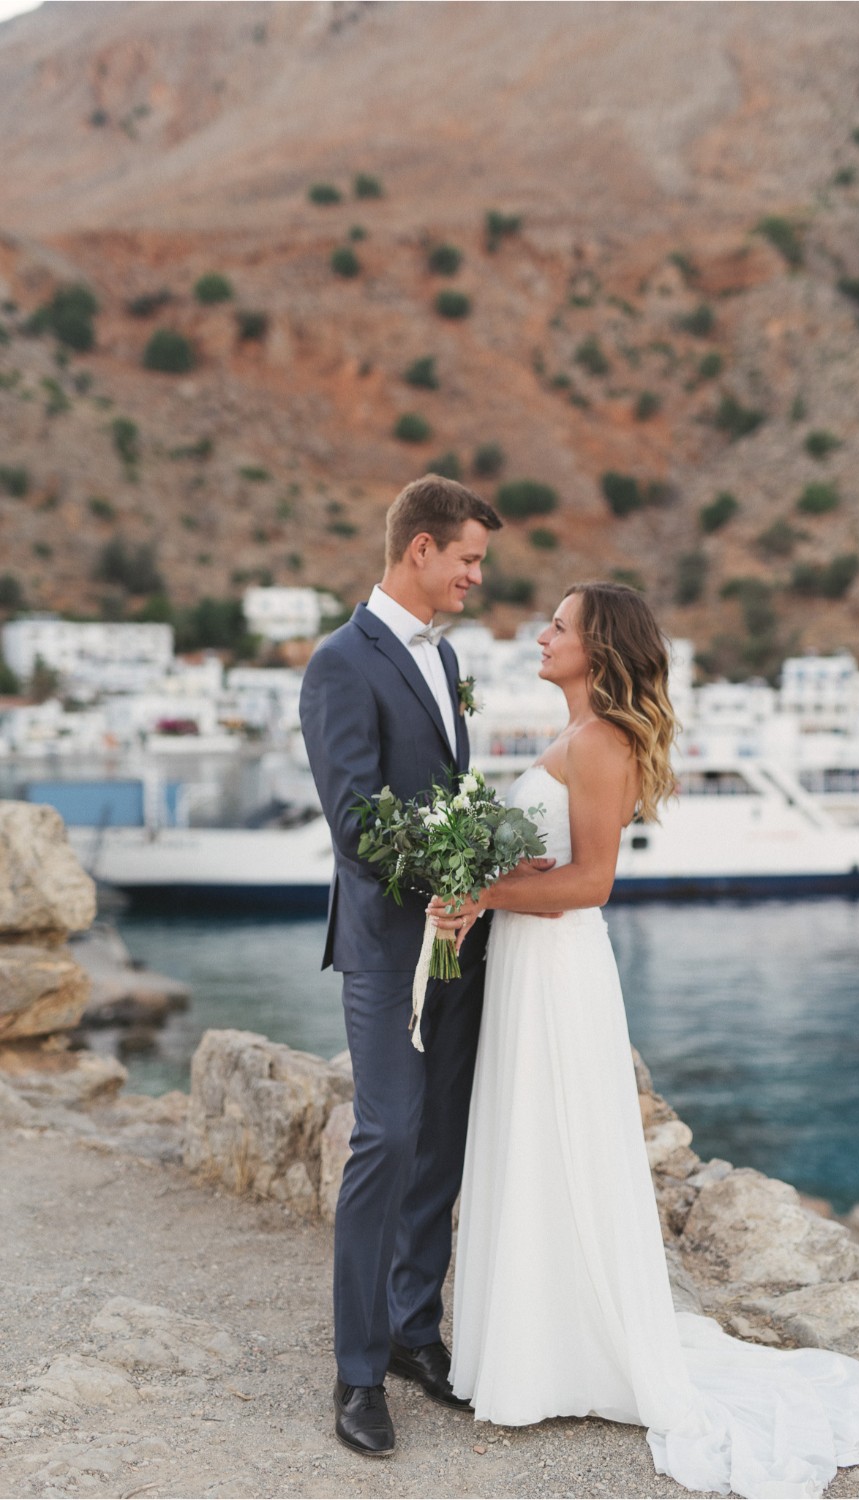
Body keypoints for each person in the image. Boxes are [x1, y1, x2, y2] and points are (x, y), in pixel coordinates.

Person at [429, 582, 859, 1498]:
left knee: (557, 1139)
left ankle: (567, 1353)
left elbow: (595, 882)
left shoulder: (602, 742)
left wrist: (483, 892)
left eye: (558, 627)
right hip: (530, 964)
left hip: (560, 969)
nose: (541, 634)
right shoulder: (574, 738)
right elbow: (556, 863)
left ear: (597, 649)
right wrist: (496, 878)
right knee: (532, 1144)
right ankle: (537, 1349)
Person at [298, 474, 507, 1459]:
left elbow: (446, 789)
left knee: (441, 1144)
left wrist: (479, 875)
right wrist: (436, 885)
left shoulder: (446, 652)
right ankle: (355, 1374)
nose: (475, 575)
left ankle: (414, 1333)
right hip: (387, 943)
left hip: (460, 943)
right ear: (418, 549)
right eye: (466, 557)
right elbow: (352, 819)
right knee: (385, 1137)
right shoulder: (341, 663)